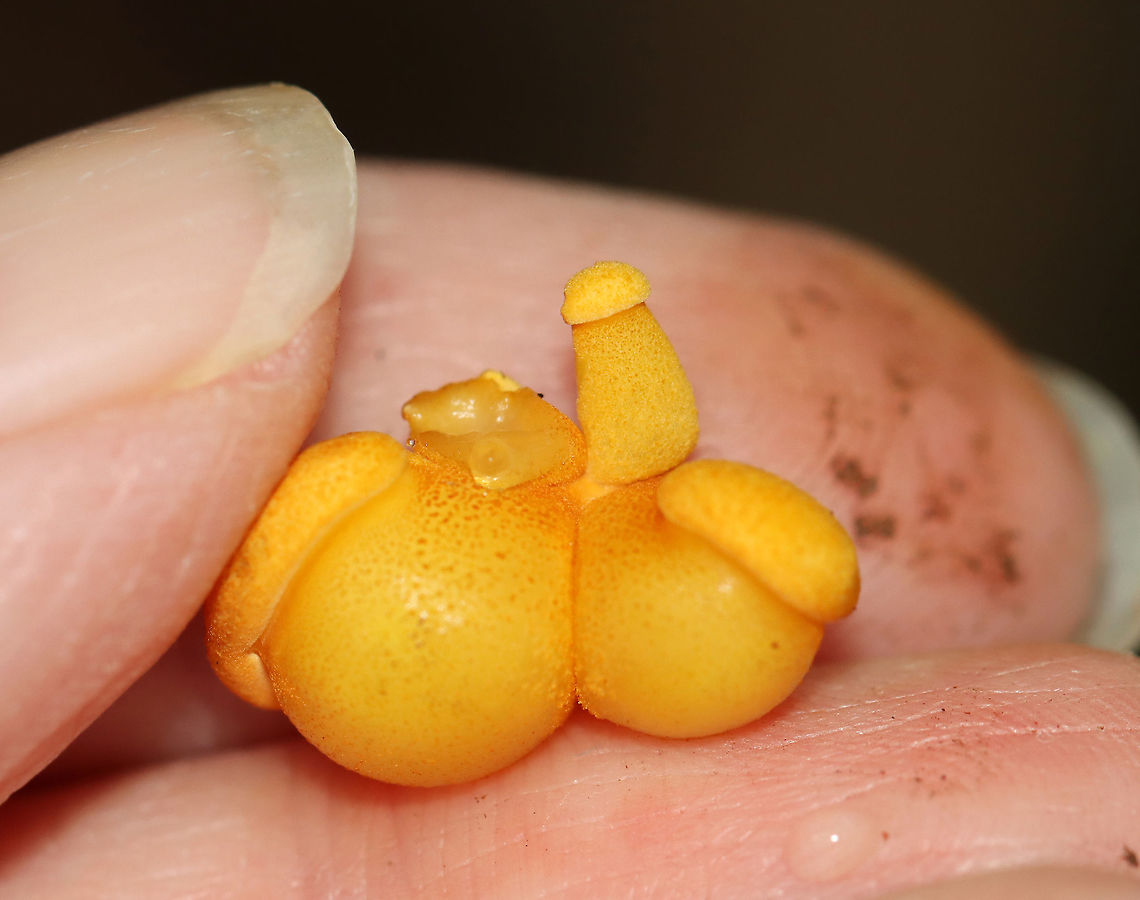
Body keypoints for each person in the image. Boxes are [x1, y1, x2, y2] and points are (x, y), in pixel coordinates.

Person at [0, 85, 1137, 899]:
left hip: (613, 637)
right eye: (485, 399)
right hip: (423, 675)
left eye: (501, 396)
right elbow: (250, 625)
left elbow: (654, 448)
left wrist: (613, 324)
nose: (489, 390)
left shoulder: (604, 518)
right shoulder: (383, 477)